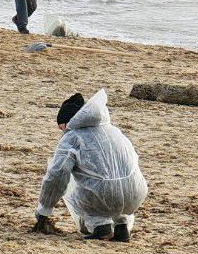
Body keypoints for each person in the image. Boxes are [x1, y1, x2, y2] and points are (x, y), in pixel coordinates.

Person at [34, 90, 148, 242]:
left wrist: (44, 210)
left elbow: (57, 175)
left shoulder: (72, 136)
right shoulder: (115, 131)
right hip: (136, 193)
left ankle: (100, 226)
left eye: (61, 126)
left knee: (73, 184)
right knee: (114, 182)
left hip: (102, 196)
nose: (60, 130)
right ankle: (122, 227)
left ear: (68, 121)